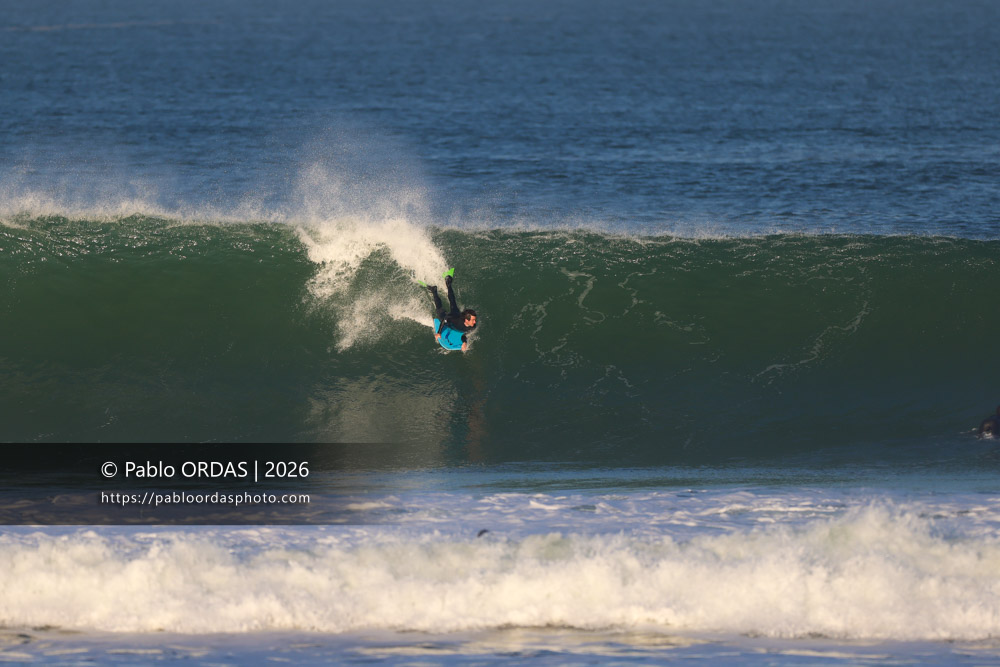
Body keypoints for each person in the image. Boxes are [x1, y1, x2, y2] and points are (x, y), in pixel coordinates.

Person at [421, 268, 477, 352]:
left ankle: (448, 283)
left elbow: (464, 335)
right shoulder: (457, 321)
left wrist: (464, 342)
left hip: (456, 314)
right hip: (450, 318)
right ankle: (434, 290)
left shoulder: (472, 326)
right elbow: (445, 320)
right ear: (466, 320)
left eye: (474, 320)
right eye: (473, 320)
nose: (475, 322)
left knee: (453, 301)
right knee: (439, 308)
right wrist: (439, 332)